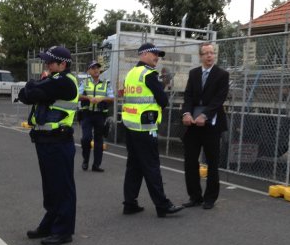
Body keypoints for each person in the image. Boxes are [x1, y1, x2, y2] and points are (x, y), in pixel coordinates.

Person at [18, 46, 79, 245]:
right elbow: (25, 95)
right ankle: (49, 224)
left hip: (59, 140)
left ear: (63, 64)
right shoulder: (52, 79)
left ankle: (63, 231)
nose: (46, 65)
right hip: (45, 140)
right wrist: (33, 87)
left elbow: (32, 92)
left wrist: (33, 86)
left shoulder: (64, 82)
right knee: (51, 188)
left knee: (63, 188)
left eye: (50, 62)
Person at [121, 43, 183, 218]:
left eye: (158, 55)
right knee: (152, 167)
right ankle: (162, 206)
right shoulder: (148, 74)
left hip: (131, 126)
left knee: (134, 167)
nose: (157, 57)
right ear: (144, 54)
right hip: (145, 128)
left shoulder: (131, 74)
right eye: (154, 54)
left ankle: (129, 203)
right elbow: (163, 100)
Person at [181, 42, 229, 210]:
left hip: (211, 125)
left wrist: (205, 115)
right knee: (190, 161)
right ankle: (195, 196)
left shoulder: (222, 74)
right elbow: (187, 96)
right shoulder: (193, 73)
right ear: (200, 56)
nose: (209, 55)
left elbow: (219, 99)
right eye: (206, 53)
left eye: (212, 53)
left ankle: (210, 198)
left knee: (212, 162)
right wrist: (186, 113)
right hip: (193, 125)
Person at [79, 60, 114, 172]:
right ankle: (85, 160)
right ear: (89, 71)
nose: (96, 70)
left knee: (99, 140)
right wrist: (89, 98)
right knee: (86, 138)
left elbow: (112, 98)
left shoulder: (106, 82)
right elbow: (78, 96)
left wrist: (101, 99)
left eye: (97, 68)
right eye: (93, 68)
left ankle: (96, 165)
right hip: (87, 114)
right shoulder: (84, 82)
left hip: (100, 115)